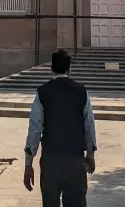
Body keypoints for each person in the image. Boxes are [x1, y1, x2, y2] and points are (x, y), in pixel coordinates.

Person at [23, 49, 97, 207]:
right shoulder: (81, 92)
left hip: (51, 162)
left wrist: (28, 164)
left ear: (51, 68)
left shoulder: (42, 93)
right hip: (75, 160)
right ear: (70, 68)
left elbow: (34, 130)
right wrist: (90, 155)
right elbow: (89, 125)